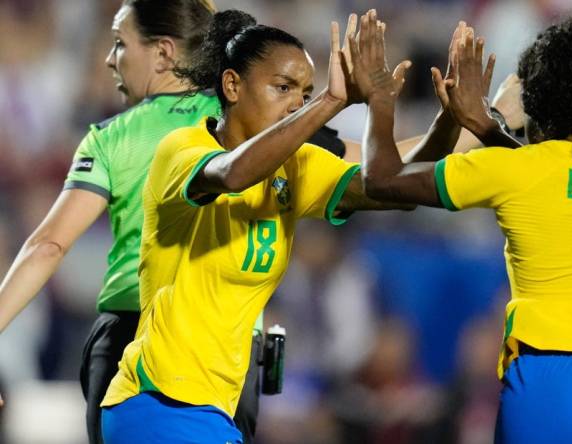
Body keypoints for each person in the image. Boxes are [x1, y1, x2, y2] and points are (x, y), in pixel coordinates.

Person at [97, 9, 456, 443]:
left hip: (215, 408)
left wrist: (416, 111)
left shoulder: (297, 166)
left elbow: (389, 186)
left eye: (304, 94)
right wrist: (330, 101)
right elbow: (232, 175)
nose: (295, 103)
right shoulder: (183, 148)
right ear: (232, 85)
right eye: (282, 87)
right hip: (158, 401)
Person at [352, 17, 572, 443]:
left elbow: (380, 180)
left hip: (549, 377)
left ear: (541, 99)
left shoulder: (515, 170)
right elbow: (562, 180)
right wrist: (486, 126)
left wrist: (379, 97)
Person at [0, 1, 260, 442]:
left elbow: (49, 245)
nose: (109, 59)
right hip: (229, 346)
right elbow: (366, 167)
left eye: (121, 44)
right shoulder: (255, 123)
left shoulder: (111, 137)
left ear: (163, 53)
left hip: (133, 339)